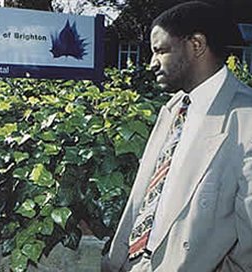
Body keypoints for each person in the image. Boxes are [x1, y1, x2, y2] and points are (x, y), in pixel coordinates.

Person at [102, 1, 252, 271]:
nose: (151, 64)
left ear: (196, 45)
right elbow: (142, 198)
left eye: (160, 51)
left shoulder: (246, 117)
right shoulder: (173, 109)